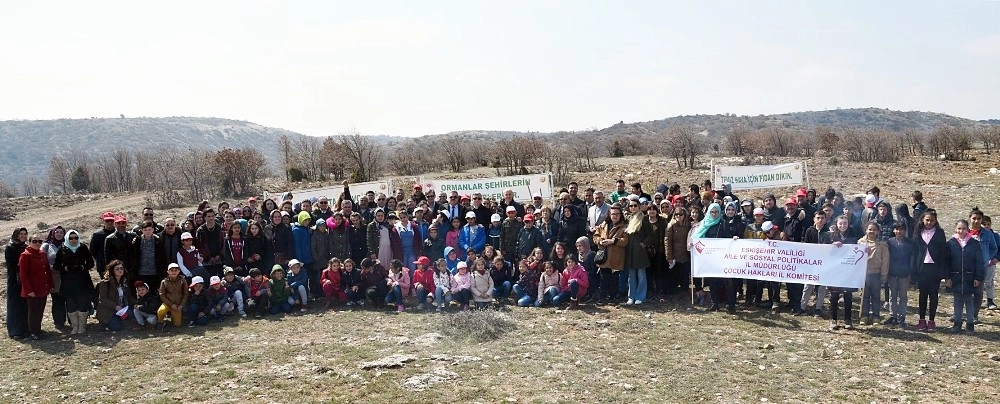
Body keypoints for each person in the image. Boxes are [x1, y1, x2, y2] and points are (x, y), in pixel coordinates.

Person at [53, 229, 96, 335]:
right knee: (71, 304)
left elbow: (91, 263)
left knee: (82, 303)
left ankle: (82, 326)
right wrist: (65, 268)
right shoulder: (62, 249)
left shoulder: (83, 247)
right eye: (71, 238)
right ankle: (74, 327)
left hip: (82, 280)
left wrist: (83, 266)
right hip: (68, 281)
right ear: (67, 239)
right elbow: (56, 265)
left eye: (76, 238)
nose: (73, 240)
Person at [946, 219, 984, 334]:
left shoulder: (974, 243)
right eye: (959, 228)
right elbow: (947, 262)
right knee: (957, 300)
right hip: (955, 277)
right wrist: (947, 277)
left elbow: (979, 262)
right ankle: (957, 322)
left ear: (968, 229)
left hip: (969, 277)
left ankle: (970, 323)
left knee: (968, 300)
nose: (961, 231)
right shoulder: (951, 243)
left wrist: (978, 277)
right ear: (955, 229)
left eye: (963, 228)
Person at [913, 211, 949, 332]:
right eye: (927, 220)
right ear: (922, 220)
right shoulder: (918, 232)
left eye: (932, 220)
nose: (929, 223)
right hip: (922, 268)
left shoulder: (939, 233)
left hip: (935, 268)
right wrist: (913, 270)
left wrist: (944, 272)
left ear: (936, 221)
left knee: (933, 295)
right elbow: (915, 252)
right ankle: (922, 320)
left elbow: (944, 253)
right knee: (922, 295)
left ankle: (932, 320)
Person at [19, 233, 53, 340]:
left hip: (43, 287)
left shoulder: (42, 253)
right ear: (29, 243)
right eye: (34, 241)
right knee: (33, 311)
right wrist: (29, 290)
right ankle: (33, 333)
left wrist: (50, 285)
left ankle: (38, 330)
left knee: (40, 310)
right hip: (32, 289)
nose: (37, 243)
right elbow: (23, 275)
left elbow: (47, 270)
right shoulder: (25, 255)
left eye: (39, 241)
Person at [968, 209, 998, 324]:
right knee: (964, 291)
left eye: (978, 219)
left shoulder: (987, 233)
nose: (976, 221)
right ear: (970, 218)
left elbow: (994, 248)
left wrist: (987, 258)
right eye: (974, 218)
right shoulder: (965, 231)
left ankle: (974, 315)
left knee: (978, 291)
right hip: (966, 266)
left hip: (981, 267)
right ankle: (961, 314)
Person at [594, 206, 628, 304]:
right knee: (604, 278)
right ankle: (602, 297)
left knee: (614, 280)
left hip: (616, 257)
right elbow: (596, 236)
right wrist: (600, 241)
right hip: (604, 257)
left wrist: (613, 241)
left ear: (620, 215)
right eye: (613, 214)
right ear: (609, 214)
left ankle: (613, 298)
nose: (615, 216)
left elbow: (625, 241)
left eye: (617, 214)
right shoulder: (604, 224)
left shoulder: (624, 226)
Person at [885, 222, 916, 327]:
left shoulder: (910, 243)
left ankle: (902, 316)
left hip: (904, 273)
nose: (899, 231)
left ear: (905, 230)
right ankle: (893, 315)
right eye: (896, 229)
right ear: (893, 230)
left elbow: (912, 259)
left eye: (901, 229)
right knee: (892, 296)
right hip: (892, 273)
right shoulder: (889, 242)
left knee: (903, 296)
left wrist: (910, 273)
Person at [858, 223, 890, 325]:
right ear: (866, 230)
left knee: (876, 296)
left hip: (876, 274)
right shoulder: (860, 243)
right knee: (864, 296)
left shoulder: (882, 245)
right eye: (870, 229)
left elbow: (885, 260)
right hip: (864, 274)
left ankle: (876, 315)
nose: (872, 232)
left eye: (874, 230)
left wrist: (884, 274)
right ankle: (864, 316)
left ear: (878, 231)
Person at [40, 225, 69, 331]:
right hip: (53, 278)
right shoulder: (46, 246)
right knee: (57, 301)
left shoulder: (68, 244)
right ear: (52, 233)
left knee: (69, 299)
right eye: (57, 232)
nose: (59, 234)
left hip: (67, 277)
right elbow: (42, 261)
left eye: (61, 232)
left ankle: (72, 320)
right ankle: (59, 322)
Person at [96, 260, 135, 332]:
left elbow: (129, 296)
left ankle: (121, 320)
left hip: (122, 309)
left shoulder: (124, 282)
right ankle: (104, 322)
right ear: (112, 270)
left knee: (134, 313)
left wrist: (136, 304)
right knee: (117, 328)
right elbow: (102, 299)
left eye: (121, 268)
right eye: (117, 269)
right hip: (109, 310)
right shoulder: (105, 283)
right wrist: (115, 306)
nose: (120, 270)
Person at [6, 228, 29, 340]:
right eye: (21, 234)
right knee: (14, 305)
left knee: (24, 305)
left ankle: (25, 329)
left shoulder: (25, 247)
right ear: (16, 235)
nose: (23, 236)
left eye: (25, 234)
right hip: (15, 281)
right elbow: (11, 266)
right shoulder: (10, 247)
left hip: (25, 280)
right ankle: (15, 331)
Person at [665, 207, 693, 299]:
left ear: (685, 216)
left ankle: (685, 291)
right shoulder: (671, 225)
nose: (678, 216)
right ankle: (674, 293)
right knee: (674, 275)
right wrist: (669, 256)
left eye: (681, 214)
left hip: (685, 254)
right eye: (676, 214)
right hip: (675, 254)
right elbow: (667, 242)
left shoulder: (688, 225)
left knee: (685, 274)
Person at [131, 220, 163, 292]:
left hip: (154, 272)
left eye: (149, 229)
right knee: (142, 292)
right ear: (141, 230)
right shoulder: (137, 240)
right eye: (145, 230)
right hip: (141, 272)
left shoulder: (157, 240)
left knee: (154, 292)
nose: (148, 232)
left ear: (153, 230)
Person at [156, 263, 188, 330]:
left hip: (178, 305)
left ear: (179, 271)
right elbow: (162, 294)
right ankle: (160, 322)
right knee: (160, 311)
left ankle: (172, 316)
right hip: (168, 304)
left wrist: (181, 305)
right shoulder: (164, 282)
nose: (174, 272)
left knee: (177, 325)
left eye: (176, 270)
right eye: (171, 270)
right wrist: (171, 305)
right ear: (168, 272)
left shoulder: (183, 281)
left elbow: (186, 294)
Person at [90, 212, 117, 278]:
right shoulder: (97, 235)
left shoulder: (118, 233)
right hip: (103, 266)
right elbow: (93, 250)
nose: (109, 222)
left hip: (117, 265)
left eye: (111, 220)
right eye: (107, 221)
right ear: (103, 221)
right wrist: (100, 259)